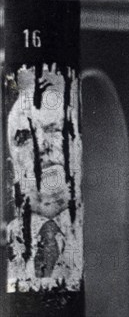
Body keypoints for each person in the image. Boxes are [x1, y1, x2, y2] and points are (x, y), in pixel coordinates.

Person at [6, 66, 83, 293]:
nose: (41, 146)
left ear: (75, 144)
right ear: (12, 166)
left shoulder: (84, 230)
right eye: (25, 137)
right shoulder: (15, 236)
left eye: (52, 130)